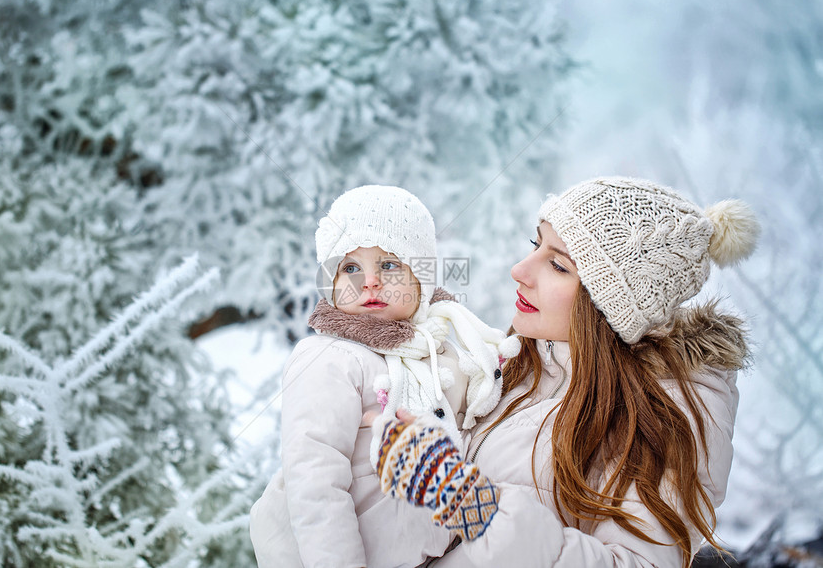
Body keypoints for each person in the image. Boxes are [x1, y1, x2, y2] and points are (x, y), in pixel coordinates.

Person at [370, 176, 760, 567]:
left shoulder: (663, 416)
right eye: (534, 245)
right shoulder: (525, 365)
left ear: (610, 308)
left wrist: (468, 502)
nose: (520, 269)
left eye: (558, 265)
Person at [249, 185, 520, 567]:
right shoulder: (329, 358)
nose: (370, 282)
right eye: (351, 268)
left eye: (389, 265)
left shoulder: (441, 356)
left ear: (421, 278)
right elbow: (315, 484)